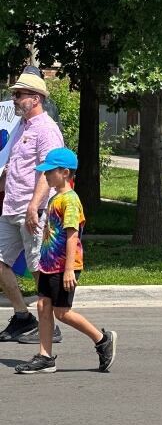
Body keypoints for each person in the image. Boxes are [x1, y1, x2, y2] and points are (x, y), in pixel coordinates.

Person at [14, 148, 117, 374]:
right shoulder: (55, 198)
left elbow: (72, 234)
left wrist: (69, 269)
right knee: (43, 305)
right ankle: (45, 356)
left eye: (50, 171)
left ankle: (102, 339)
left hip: (64, 267)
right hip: (49, 265)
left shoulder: (70, 200)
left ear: (65, 172)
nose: (46, 175)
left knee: (62, 312)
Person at [0, 71, 64, 343]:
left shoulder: (46, 128)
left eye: (19, 94)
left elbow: (48, 171)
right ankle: (23, 318)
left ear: (35, 98)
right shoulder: (22, 127)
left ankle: (51, 324)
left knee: (39, 269)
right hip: (11, 206)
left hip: (33, 210)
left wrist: (34, 206)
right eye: (14, 94)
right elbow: (12, 165)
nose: (14, 99)